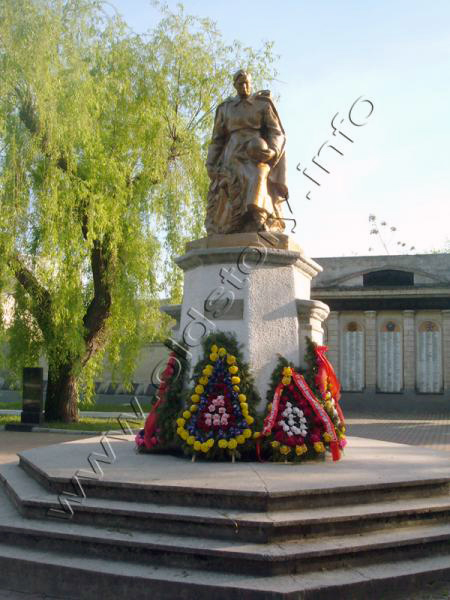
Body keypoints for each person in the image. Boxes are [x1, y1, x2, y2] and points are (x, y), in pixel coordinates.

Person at [205, 69, 289, 234]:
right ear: (235, 85)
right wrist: (210, 163)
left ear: (251, 83)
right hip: (232, 155)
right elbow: (217, 140)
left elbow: (276, 132)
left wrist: (272, 151)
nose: (244, 86)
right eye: (240, 83)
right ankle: (239, 221)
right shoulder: (225, 108)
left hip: (257, 153)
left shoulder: (263, 104)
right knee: (237, 176)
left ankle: (259, 217)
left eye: (247, 83)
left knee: (258, 174)